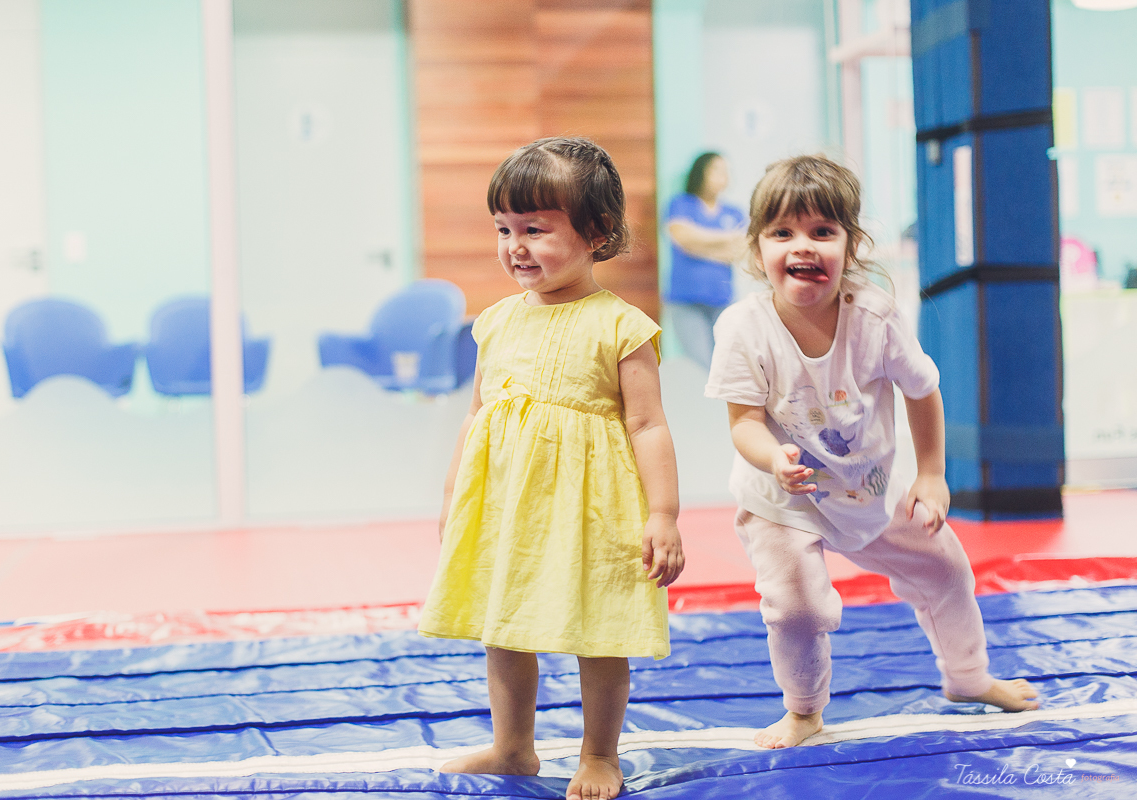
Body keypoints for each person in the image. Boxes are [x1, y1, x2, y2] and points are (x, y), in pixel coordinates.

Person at [704, 154, 1039, 749]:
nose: (801, 245)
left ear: (851, 245)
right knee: (797, 608)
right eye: (783, 233)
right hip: (785, 496)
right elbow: (744, 424)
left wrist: (932, 474)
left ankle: (968, 677)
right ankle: (804, 708)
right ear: (758, 252)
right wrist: (774, 459)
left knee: (946, 569)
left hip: (869, 487)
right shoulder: (743, 327)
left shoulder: (874, 316)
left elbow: (923, 388)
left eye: (821, 232)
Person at [419, 136, 685, 800]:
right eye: (505, 228)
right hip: (509, 505)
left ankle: (600, 753)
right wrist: (454, 494)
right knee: (503, 622)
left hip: (593, 508)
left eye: (535, 229)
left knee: (599, 630)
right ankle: (514, 747)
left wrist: (664, 514)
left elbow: (648, 425)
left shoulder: (622, 327)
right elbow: (477, 413)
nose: (515, 245)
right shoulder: (495, 323)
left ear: (596, 233)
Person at [664, 152, 748, 369]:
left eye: (726, 171)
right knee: (700, 364)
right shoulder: (681, 203)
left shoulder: (734, 212)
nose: (724, 176)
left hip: (722, 300)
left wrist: (697, 246)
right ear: (700, 172)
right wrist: (726, 238)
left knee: (725, 364)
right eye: (717, 169)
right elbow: (682, 237)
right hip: (685, 301)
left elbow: (739, 250)